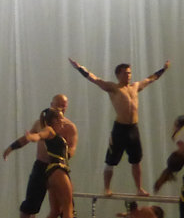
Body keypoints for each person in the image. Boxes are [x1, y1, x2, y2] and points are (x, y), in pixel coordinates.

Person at [69, 57, 169, 196]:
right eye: (125, 73)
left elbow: (151, 79)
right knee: (111, 161)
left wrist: (163, 69)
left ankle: (139, 188)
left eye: (129, 73)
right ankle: (107, 188)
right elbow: (94, 79)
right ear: (118, 75)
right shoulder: (113, 88)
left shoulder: (135, 86)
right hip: (120, 129)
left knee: (136, 160)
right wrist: (79, 67)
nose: (128, 75)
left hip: (133, 128)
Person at [4, 94, 76, 218]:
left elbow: (72, 148)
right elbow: (37, 136)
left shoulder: (68, 127)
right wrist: (11, 148)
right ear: (51, 105)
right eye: (58, 105)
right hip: (44, 166)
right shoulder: (44, 126)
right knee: (31, 202)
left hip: (59, 167)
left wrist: (67, 154)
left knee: (59, 209)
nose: (61, 108)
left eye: (64, 105)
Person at [19, 107, 84, 218]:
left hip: (53, 171)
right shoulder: (49, 130)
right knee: (68, 207)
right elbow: (39, 135)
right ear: (54, 120)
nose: (63, 121)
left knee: (55, 210)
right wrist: (32, 137)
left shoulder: (54, 132)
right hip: (58, 170)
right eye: (60, 119)